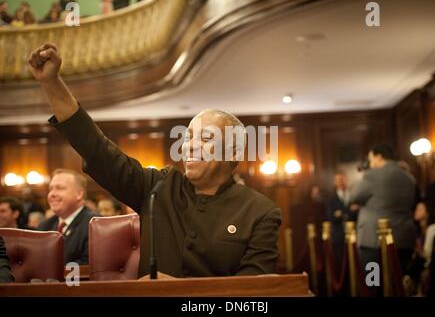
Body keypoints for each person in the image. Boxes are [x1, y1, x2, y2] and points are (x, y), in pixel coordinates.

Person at [28, 43, 281, 278]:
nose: (189, 145)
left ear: (234, 153)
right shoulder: (157, 187)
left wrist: (178, 290)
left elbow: (252, 294)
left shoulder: (260, 212)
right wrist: (52, 82)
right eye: (188, 137)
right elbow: (96, 150)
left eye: (205, 138)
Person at [350, 144, 416, 275]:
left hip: (373, 240)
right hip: (403, 239)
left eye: (370, 159)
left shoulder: (372, 175)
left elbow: (353, 196)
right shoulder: (408, 177)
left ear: (378, 157)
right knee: (398, 282)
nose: (370, 163)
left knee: (372, 283)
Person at [38, 169, 97, 265]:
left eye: (59, 188)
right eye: (50, 189)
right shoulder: (44, 226)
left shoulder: (95, 224)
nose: (52, 194)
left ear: (79, 194)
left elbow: (88, 265)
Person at [325, 172, 359, 267]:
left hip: (354, 235)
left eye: (342, 179)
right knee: (340, 264)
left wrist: (341, 213)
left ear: (346, 180)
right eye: (338, 180)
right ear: (334, 182)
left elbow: (357, 213)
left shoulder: (354, 196)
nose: (340, 182)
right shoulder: (331, 198)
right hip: (338, 236)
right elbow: (331, 217)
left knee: (355, 264)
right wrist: (348, 211)